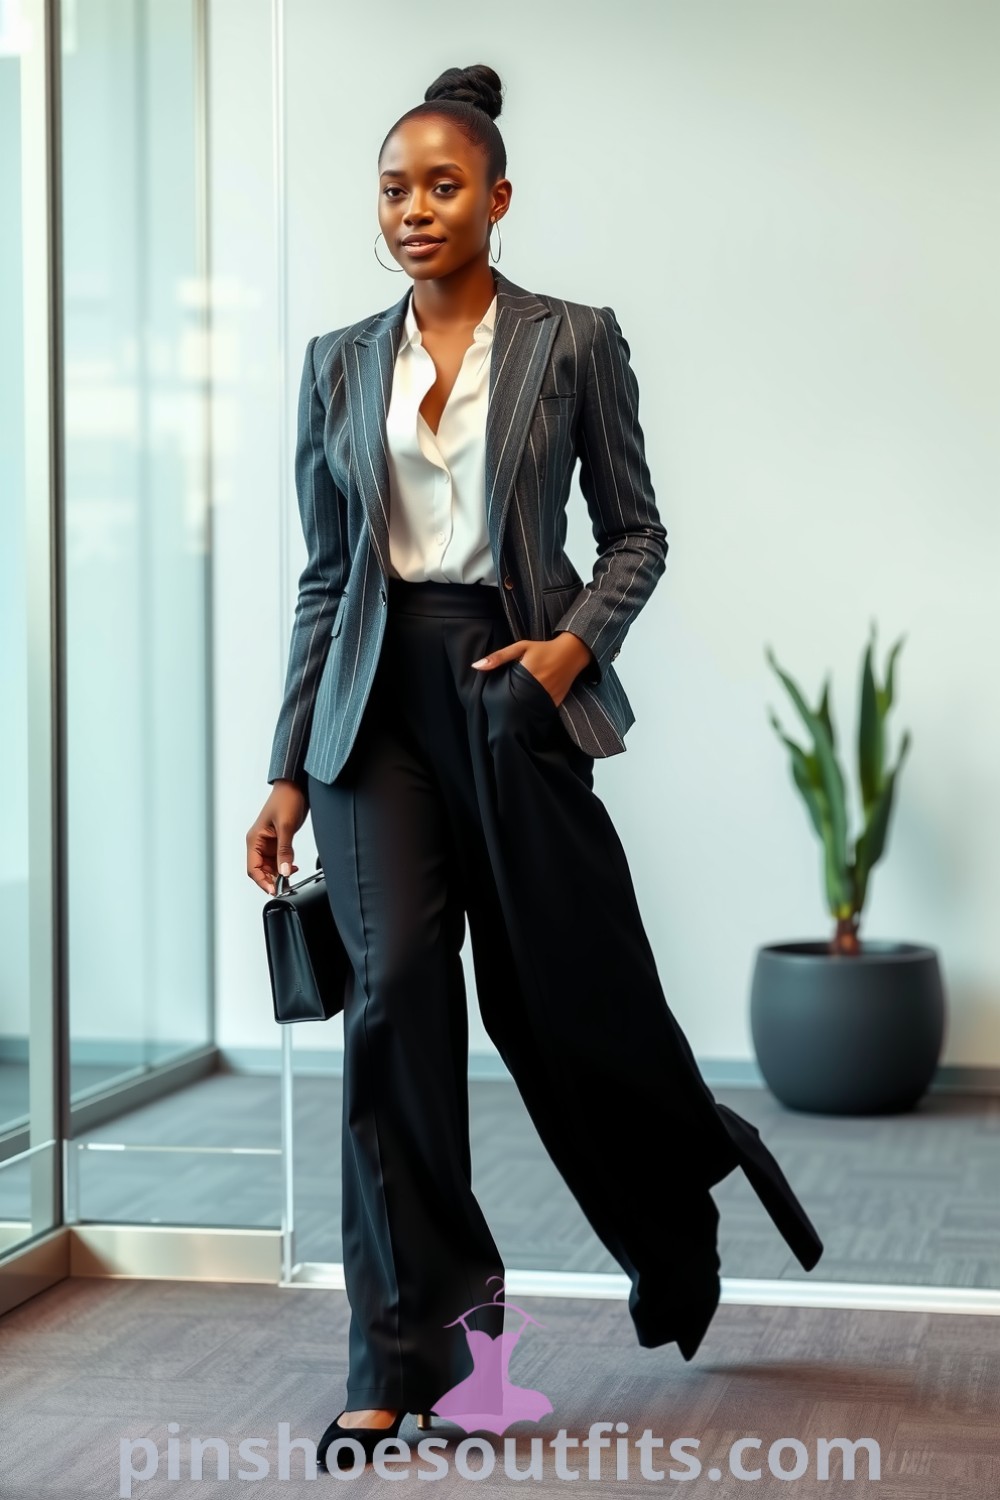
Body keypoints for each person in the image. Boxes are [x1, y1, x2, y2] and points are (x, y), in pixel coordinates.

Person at [246, 62, 824, 1472]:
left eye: (445, 185)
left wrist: (569, 650)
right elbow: (329, 580)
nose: (416, 210)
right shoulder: (334, 362)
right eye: (395, 188)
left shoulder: (572, 342)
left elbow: (637, 533)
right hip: (371, 718)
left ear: (500, 198)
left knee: (562, 1001)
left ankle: (673, 1220)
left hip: (513, 698)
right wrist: (282, 767)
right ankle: (401, 1349)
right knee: (390, 1006)